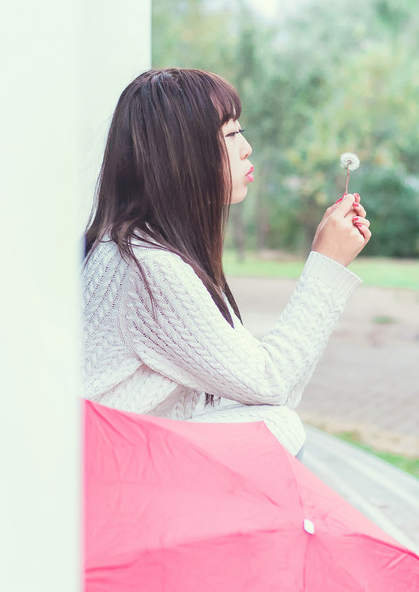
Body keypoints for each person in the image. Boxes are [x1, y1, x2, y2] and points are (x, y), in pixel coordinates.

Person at [81, 68, 371, 457]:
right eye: (231, 134)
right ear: (183, 152)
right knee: (275, 427)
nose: (246, 148)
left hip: (104, 457)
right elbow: (273, 382)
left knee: (264, 418)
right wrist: (326, 262)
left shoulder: (137, 245)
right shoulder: (148, 268)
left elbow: (257, 381)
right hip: (103, 473)